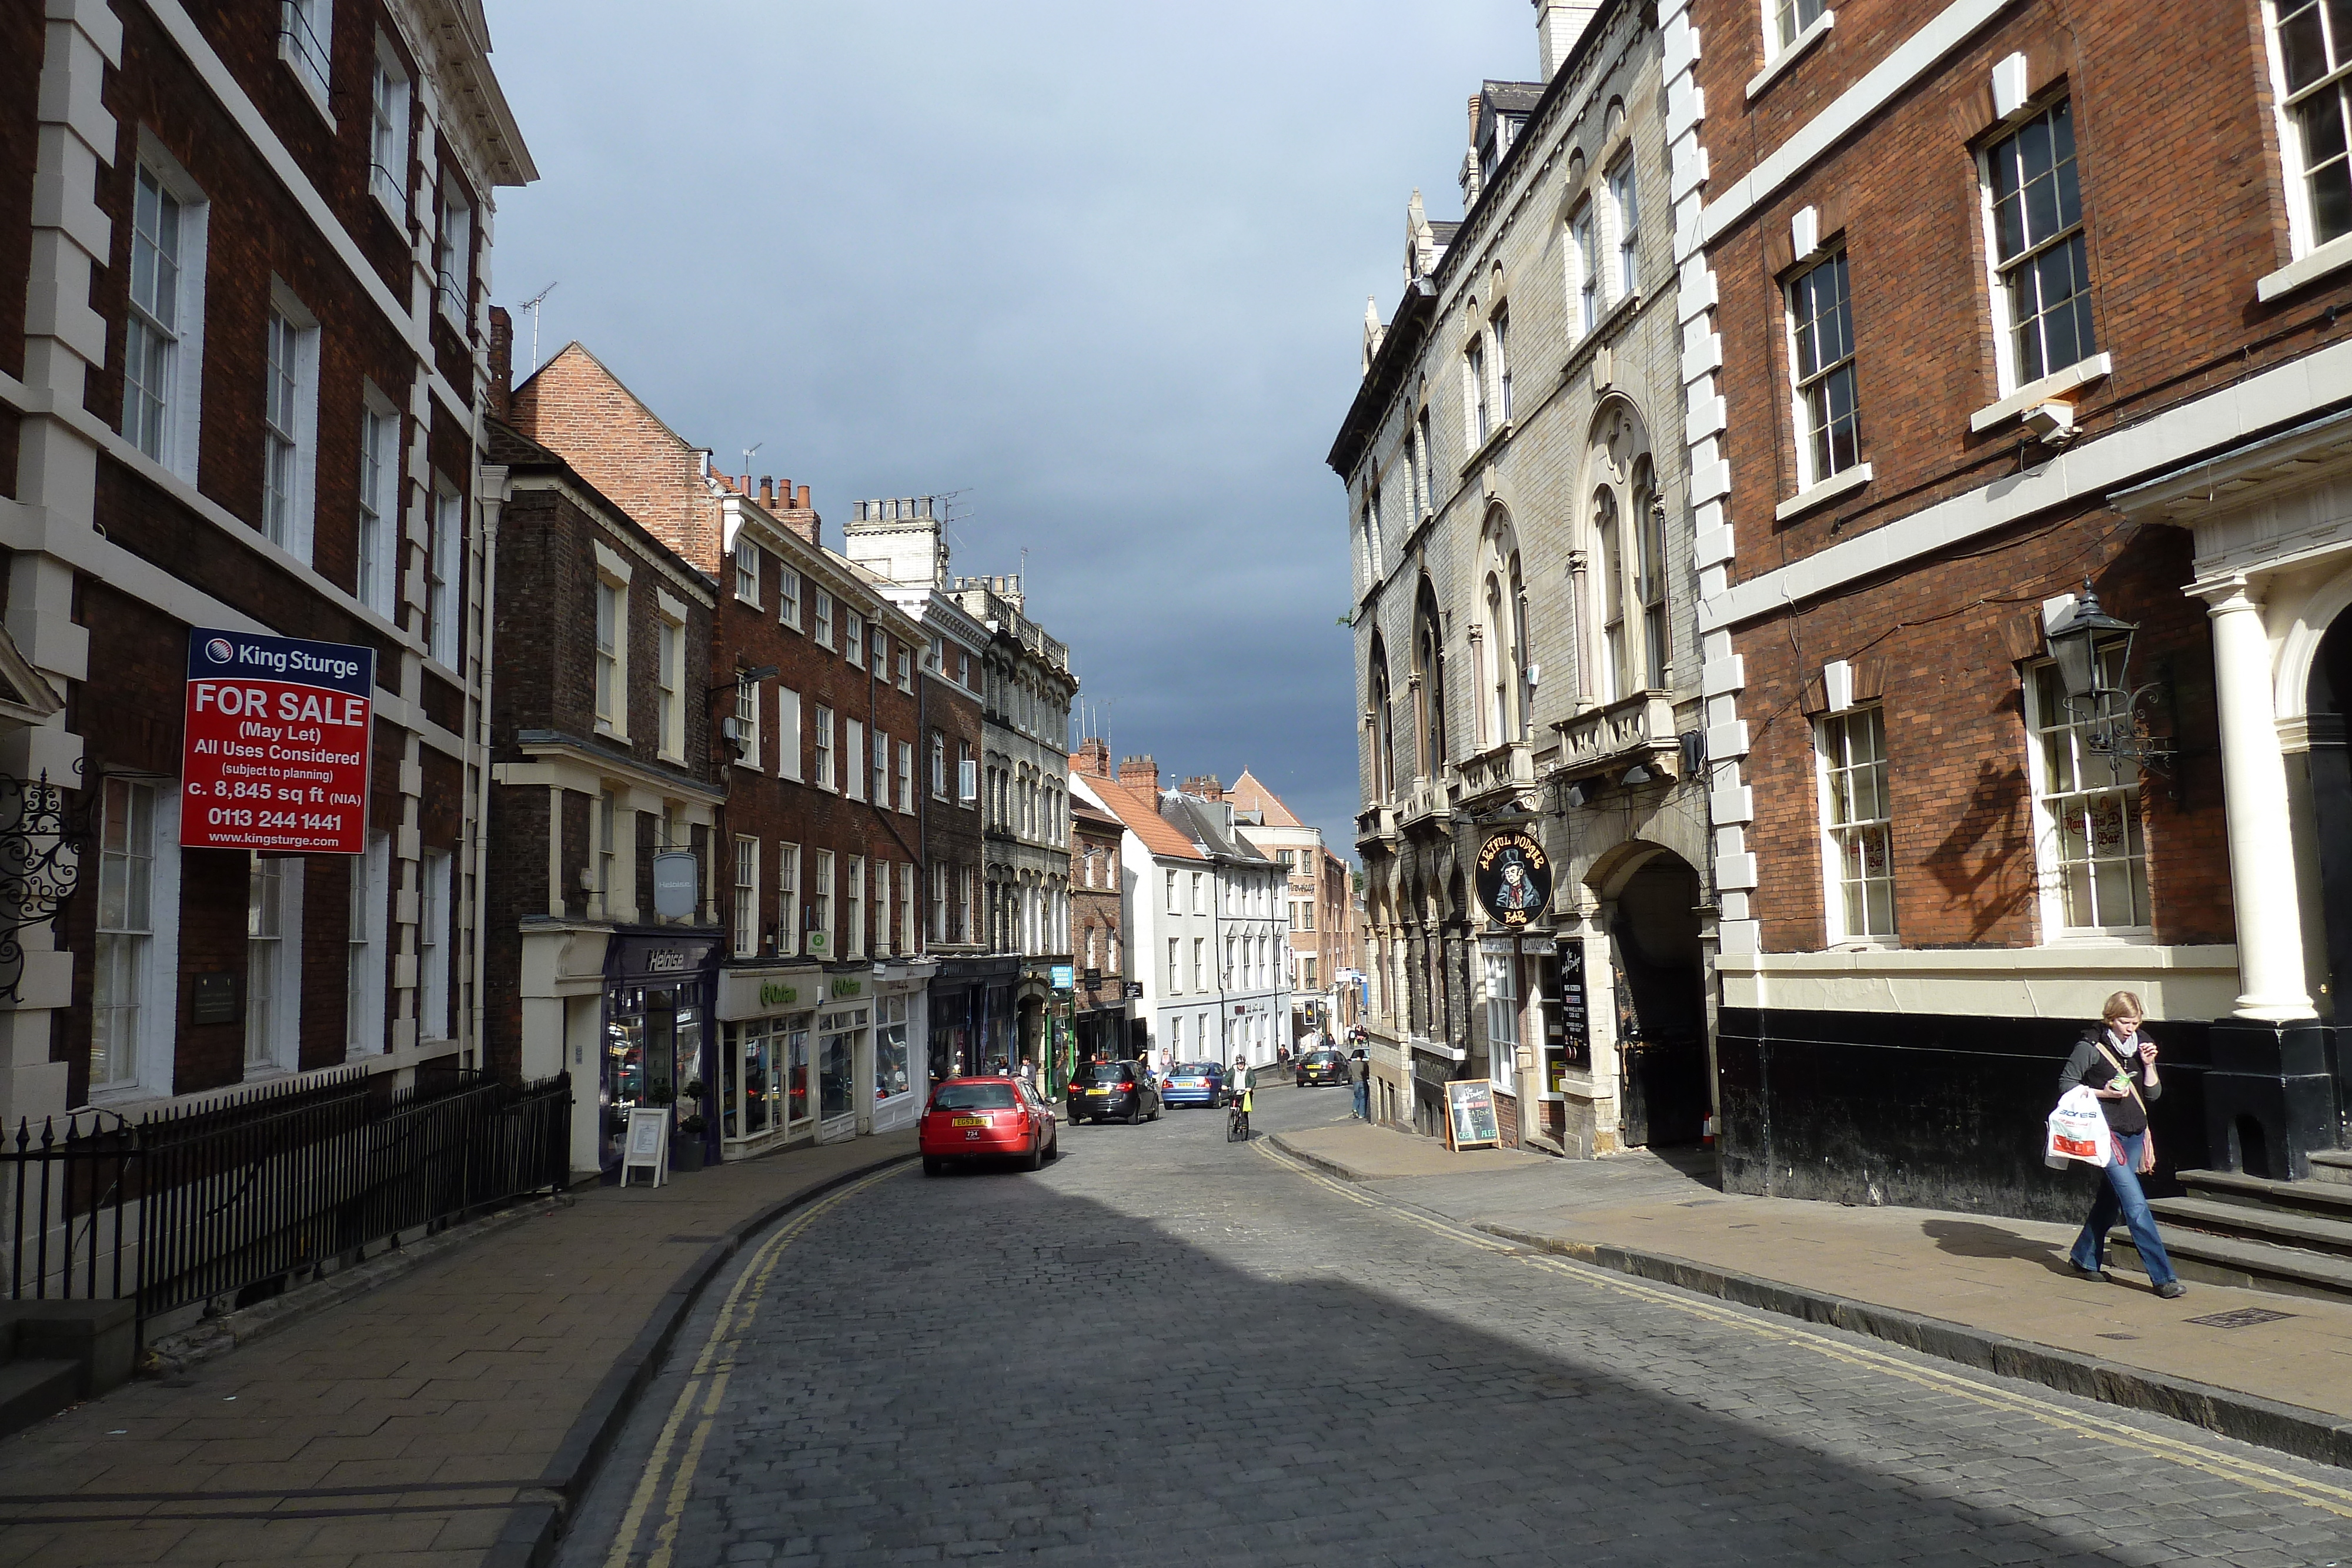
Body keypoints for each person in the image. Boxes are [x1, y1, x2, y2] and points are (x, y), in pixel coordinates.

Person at [2062, 991, 2185, 1299]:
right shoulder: (2089, 1047)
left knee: (2112, 1199)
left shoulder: (2142, 1042)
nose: (2130, 1028)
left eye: (2135, 1022)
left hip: (2135, 1133)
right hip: (2108, 1135)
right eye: (2123, 1022)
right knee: (2135, 1204)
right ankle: (2164, 1278)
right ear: (2110, 1018)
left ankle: (2084, 1257)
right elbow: (2066, 1084)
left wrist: (2150, 1065)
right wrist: (2102, 1093)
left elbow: (2153, 1096)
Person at [1348, 1048, 1369, 1121]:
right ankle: (1361, 1114)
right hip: (1362, 1081)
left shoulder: (1352, 1064)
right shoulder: (1364, 1064)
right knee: (1363, 1098)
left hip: (1355, 1082)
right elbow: (1367, 1073)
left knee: (1357, 1097)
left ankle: (1355, 1108)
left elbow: (1350, 1073)